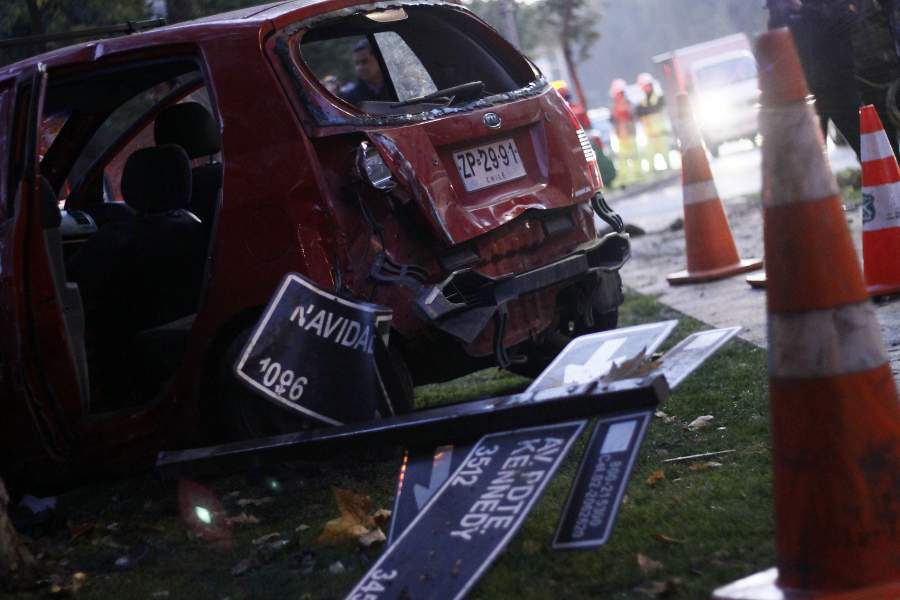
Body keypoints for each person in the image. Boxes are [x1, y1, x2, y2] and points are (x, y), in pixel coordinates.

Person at [767, 0, 863, 157]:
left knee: (864, 144)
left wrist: (804, 9)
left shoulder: (821, 6)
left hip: (838, 85)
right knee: (811, 159)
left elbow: (845, 21)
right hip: (806, 93)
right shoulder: (780, 8)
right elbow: (776, 42)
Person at [339, 39, 392, 105]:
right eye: (357, 63)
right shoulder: (351, 98)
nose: (360, 68)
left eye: (365, 61)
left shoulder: (397, 87)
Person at [635, 72, 670, 170]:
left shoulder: (659, 99)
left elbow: (659, 109)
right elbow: (639, 115)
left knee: (665, 153)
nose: (645, 88)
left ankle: (669, 169)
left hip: (661, 133)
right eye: (643, 87)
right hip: (649, 135)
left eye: (646, 86)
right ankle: (652, 172)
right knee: (649, 156)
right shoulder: (642, 103)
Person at [609, 78, 639, 184]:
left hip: (629, 133)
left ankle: (636, 175)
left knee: (633, 155)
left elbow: (632, 115)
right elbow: (613, 119)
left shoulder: (628, 103)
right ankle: (624, 178)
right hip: (621, 135)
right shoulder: (614, 106)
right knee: (622, 157)